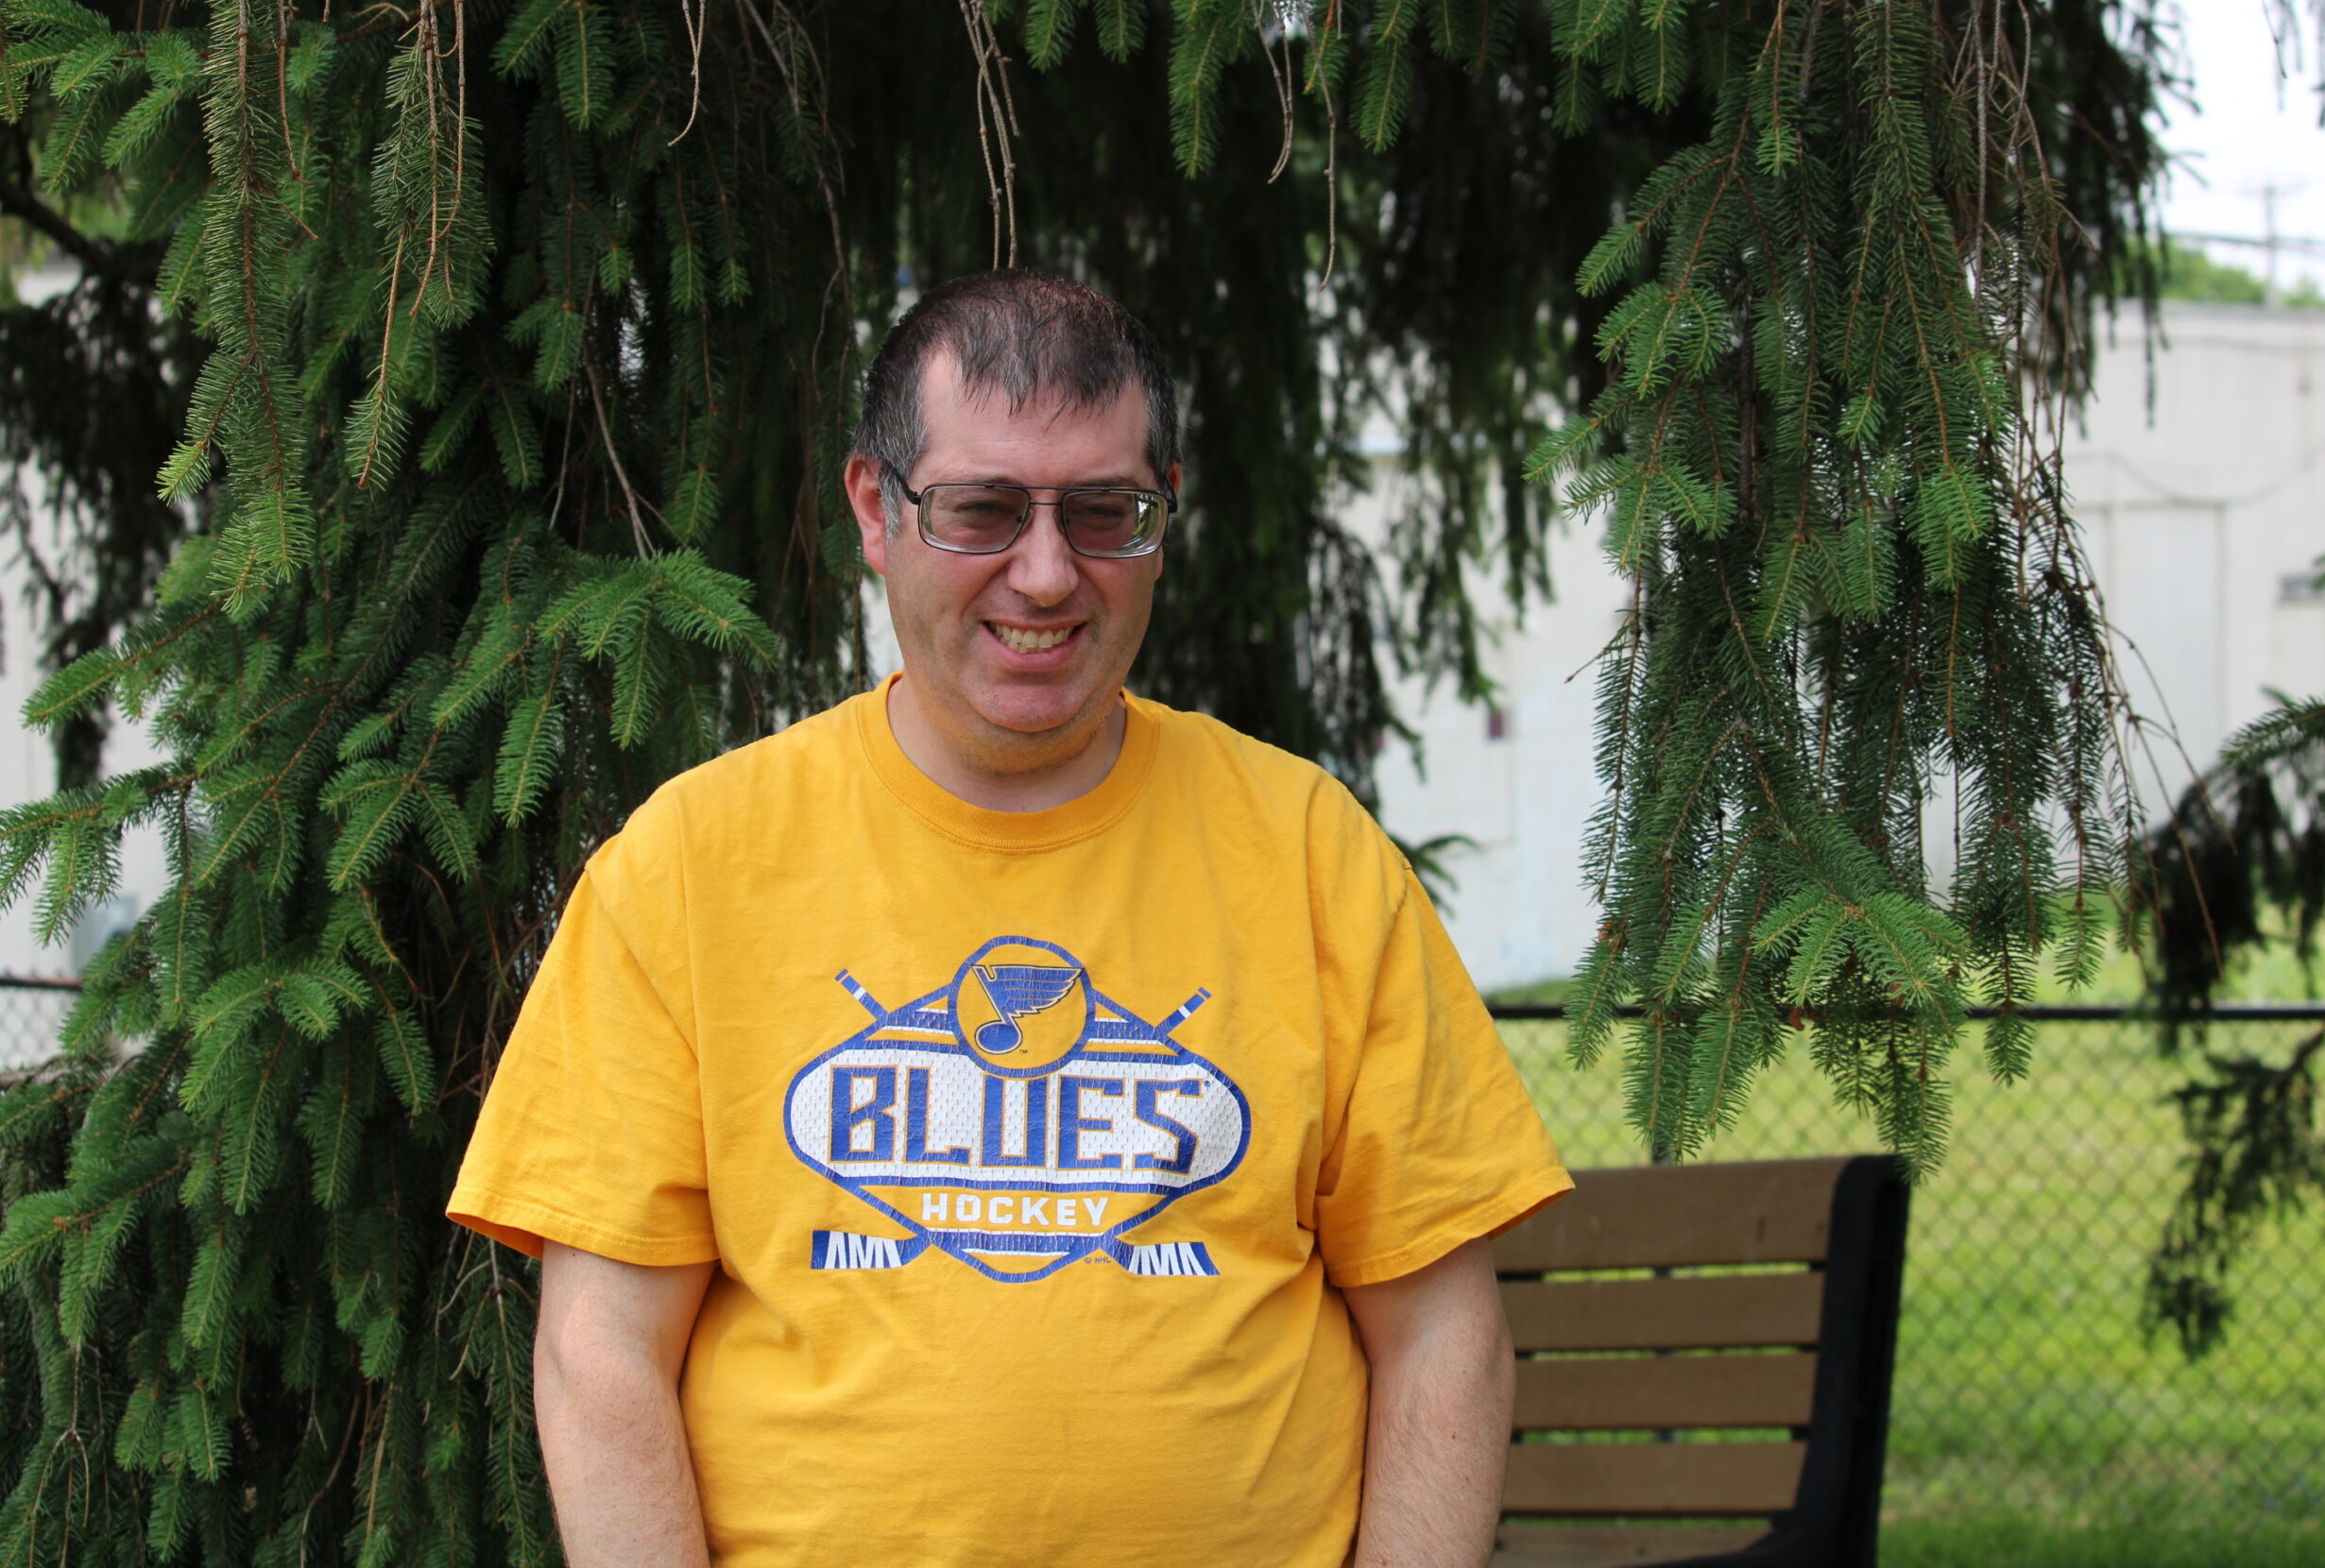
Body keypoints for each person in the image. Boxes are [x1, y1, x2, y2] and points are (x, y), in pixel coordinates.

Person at [447, 269, 1571, 1568]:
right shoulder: (690, 867)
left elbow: (1444, 1336)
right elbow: (600, 1353)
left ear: (1165, 514)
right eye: (983, 510)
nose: (1047, 575)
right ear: (878, 507)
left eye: (1106, 513)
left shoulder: (1312, 854)